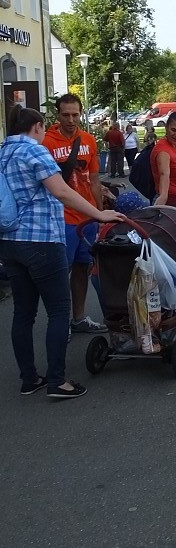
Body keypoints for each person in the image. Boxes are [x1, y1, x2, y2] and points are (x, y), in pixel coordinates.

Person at [0, 105, 123, 399]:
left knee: (23, 312)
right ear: (38, 128)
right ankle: (58, 381)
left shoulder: (3, 153)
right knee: (58, 311)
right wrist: (100, 214)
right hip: (41, 240)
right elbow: (62, 191)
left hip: (9, 241)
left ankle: (29, 378)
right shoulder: (35, 151)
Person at [42, 93, 106, 334]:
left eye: (75, 115)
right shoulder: (47, 142)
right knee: (60, 273)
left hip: (87, 217)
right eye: (66, 114)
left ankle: (78, 319)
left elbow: (95, 180)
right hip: (62, 219)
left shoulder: (88, 139)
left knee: (82, 268)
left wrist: (100, 214)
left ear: (81, 114)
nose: (71, 120)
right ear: (58, 114)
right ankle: (59, 323)